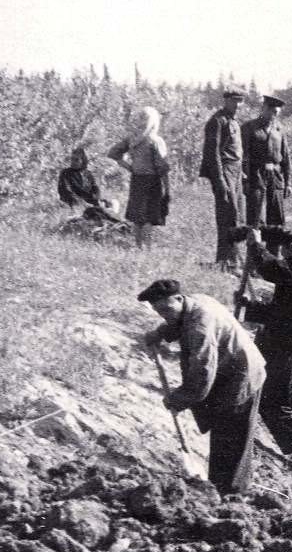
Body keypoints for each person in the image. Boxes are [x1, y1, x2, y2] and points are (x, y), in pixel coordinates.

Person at [138, 279, 266, 494]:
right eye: (158, 312)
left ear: (178, 298)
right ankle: (220, 487)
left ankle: (232, 495)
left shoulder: (200, 325)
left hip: (241, 376)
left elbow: (203, 371)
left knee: (232, 436)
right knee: (222, 433)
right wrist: (160, 333)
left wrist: (179, 399)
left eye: (165, 309)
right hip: (229, 372)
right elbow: (177, 321)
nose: (164, 315)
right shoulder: (194, 302)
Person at [240, 228, 292, 469]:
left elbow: (270, 269)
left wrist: (256, 247)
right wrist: (250, 308)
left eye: (285, 253)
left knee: (270, 399)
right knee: (291, 402)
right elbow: (285, 312)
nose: (283, 257)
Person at [108, 107, 170, 248]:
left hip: (137, 180)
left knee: (137, 218)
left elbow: (112, 153)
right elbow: (162, 167)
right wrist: (167, 189)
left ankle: (138, 247)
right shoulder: (156, 141)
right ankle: (147, 249)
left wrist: (130, 167)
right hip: (152, 181)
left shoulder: (132, 139)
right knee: (149, 217)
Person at [199, 90, 246, 269]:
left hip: (236, 171)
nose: (238, 105)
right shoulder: (217, 121)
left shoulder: (233, 121)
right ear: (226, 100)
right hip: (224, 170)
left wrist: (240, 173)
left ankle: (232, 260)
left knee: (236, 216)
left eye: (240, 101)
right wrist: (220, 181)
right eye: (235, 101)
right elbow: (213, 154)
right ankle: (225, 261)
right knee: (227, 215)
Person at [242, 94, 292, 228]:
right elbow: (244, 156)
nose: (273, 115)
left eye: (276, 113)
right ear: (263, 108)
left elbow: (286, 157)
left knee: (276, 219)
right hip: (256, 175)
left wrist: (288, 183)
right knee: (255, 217)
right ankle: (253, 248)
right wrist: (245, 180)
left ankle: (273, 249)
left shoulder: (279, 130)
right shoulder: (249, 127)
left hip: (275, 177)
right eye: (271, 111)